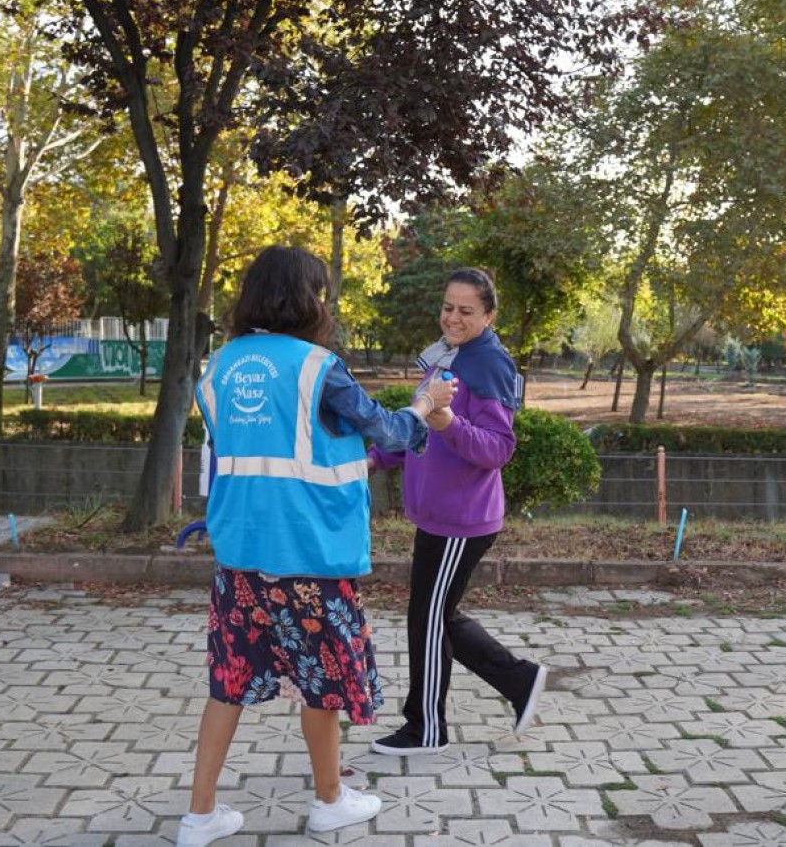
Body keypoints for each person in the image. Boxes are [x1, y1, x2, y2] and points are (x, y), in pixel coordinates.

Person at [179, 246, 456, 847]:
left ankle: (199, 817)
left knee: (226, 683)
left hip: (238, 556)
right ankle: (329, 801)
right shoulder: (317, 367)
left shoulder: (219, 366)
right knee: (324, 683)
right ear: (306, 298)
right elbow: (387, 431)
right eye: (321, 292)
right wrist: (426, 404)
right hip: (310, 558)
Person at [368, 267, 547, 757]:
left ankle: (426, 728)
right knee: (436, 615)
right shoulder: (447, 355)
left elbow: (498, 449)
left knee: (426, 617)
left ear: (488, 315)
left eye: (466, 310)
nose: (453, 317)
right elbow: (421, 427)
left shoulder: (489, 364)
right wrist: (377, 458)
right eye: (448, 307)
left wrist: (449, 420)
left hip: (462, 520)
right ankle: (519, 680)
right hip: (436, 515)